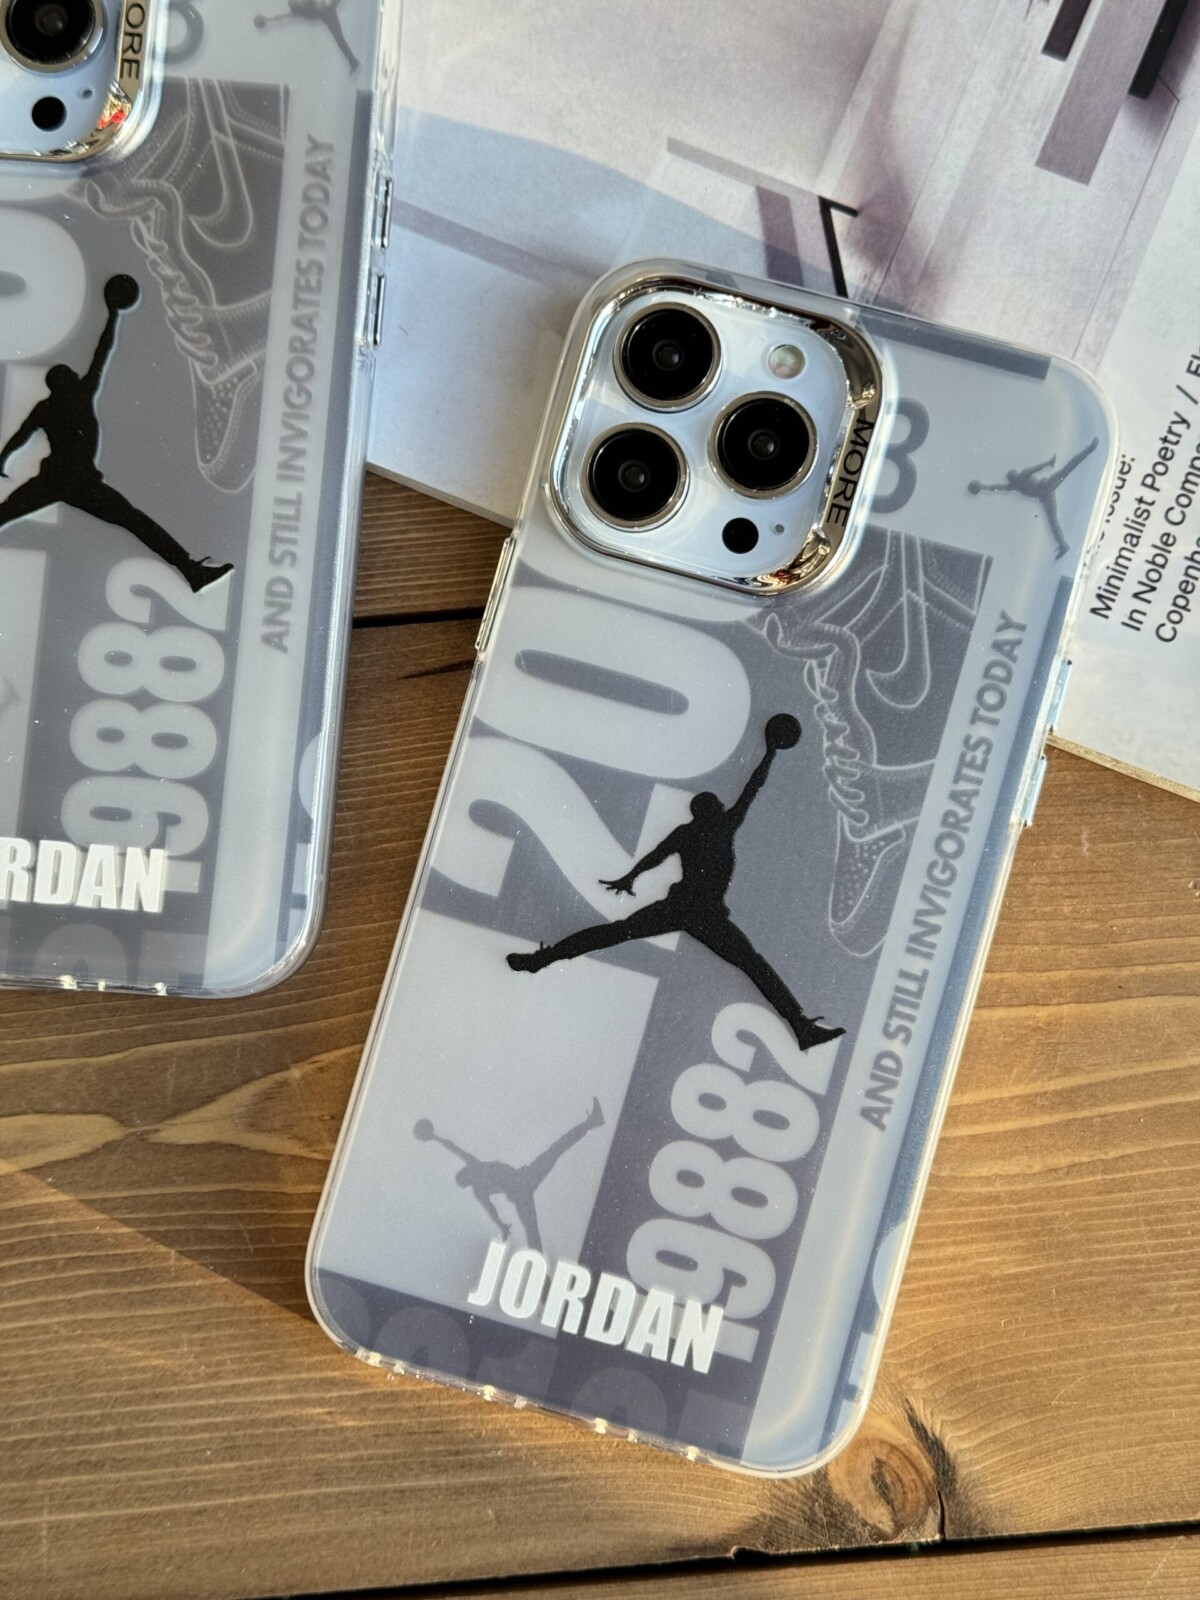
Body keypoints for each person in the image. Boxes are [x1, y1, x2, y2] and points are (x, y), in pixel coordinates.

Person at [508, 714, 843, 1053]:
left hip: (686, 909)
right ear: (709, 810)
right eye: (716, 804)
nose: (721, 805)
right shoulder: (722, 826)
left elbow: (657, 855)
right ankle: (800, 1025)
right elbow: (751, 790)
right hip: (700, 912)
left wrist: (631, 877)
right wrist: (769, 753)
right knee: (750, 964)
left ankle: (544, 958)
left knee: (619, 932)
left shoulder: (695, 830)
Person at [0, 276, 233, 594]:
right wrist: (113, 315)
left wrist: (5, 459)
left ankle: (192, 571)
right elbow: (103, 351)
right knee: (135, 521)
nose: (74, 374)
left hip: (59, 479)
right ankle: (191, 570)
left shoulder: (48, 406)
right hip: (78, 482)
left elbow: (21, 437)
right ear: (65, 382)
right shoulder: (80, 394)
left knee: (7, 513)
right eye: (69, 374)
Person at [414, 1099, 605, 1251]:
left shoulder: (475, 1167)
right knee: (532, 1232)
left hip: (526, 1178)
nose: (467, 1174)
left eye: (464, 1173)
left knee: (556, 1149)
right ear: (467, 1181)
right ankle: (541, 1277)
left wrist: (434, 1137)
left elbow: (454, 1147)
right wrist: (501, 1225)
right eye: (465, 1177)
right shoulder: (478, 1186)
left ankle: (592, 1121)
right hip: (522, 1189)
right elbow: (491, 1209)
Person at [968, 438, 1099, 560]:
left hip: (1046, 486)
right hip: (1045, 495)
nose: (1016, 479)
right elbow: (996, 487)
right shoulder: (1014, 485)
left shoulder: (1020, 478)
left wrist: (1048, 463)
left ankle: (1088, 449)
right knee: (1053, 519)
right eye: (1014, 478)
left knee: (1065, 471)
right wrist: (982, 486)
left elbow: (1034, 469)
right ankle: (1063, 545)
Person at [254, 0, 360, 73]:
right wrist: (267, 19)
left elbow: (283, 16)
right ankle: (353, 62)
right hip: (328, 14)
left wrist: (268, 19)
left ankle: (353, 62)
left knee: (340, 40)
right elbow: (283, 16)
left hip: (328, 11)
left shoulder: (301, 11)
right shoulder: (302, 9)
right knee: (340, 40)